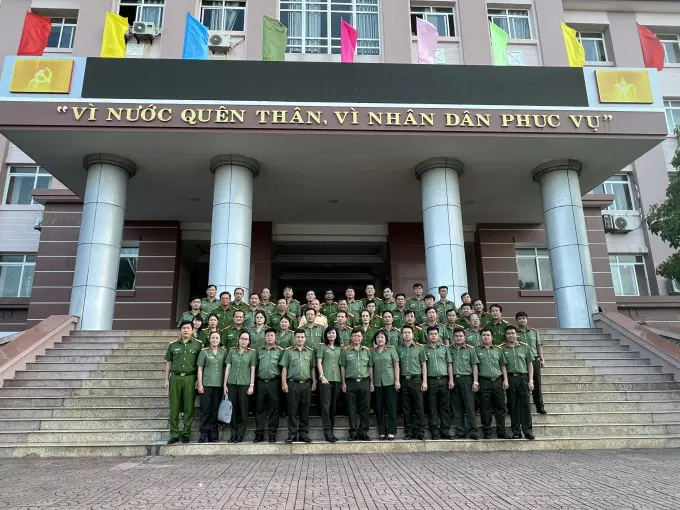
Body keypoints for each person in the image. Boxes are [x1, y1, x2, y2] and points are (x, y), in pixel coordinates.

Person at [164, 321, 202, 444]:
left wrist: (198, 380)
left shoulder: (198, 345)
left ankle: (186, 433)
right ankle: (174, 434)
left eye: (188, 328)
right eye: (183, 328)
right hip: (175, 378)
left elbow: (200, 364)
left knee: (188, 407)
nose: (186, 330)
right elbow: (168, 362)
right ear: (180, 330)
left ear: (192, 330)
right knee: (174, 407)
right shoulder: (173, 345)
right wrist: (166, 379)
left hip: (190, 378)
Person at [280, 329, 317, 443]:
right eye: (298, 337)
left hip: (306, 384)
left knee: (305, 409)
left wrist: (314, 381)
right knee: (292, 410)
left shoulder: (310, 352)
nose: (300, 339)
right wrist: (284, 383)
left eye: (302, 337)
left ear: (305, 339)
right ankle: (292, 434)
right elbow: (284, 368)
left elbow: (312, 368)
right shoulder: (288, 352)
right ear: (294, 338)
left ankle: (303, 433)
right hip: (292, 384)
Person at [502, 325, 535, 440]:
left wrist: (531, 380)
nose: (510, 335)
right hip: (511, 378)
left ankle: (528, 431)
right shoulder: (502, 349)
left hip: (523, 378)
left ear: (516, 334)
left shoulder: (525, 347)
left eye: (512, 333)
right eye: (508, 333)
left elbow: (529, 364)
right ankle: (516, 431)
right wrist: (506, 380)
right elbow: (503, 366)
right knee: (513, 405)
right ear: (505, 335)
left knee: (525, 405)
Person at [340, 329, 374, 441]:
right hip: (351, 382)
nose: (357, 338)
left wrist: (371, 382)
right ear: (351, 337)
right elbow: (343, 367)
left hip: (364, 381)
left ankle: (363, 432)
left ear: (362, 337)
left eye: (359, 336)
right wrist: (343, 383)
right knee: (351, 408)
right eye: (354, 336)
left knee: (365, 408)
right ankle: (353, 432)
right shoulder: (345, 351)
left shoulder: (367, 351)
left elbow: (370, 366)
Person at [223, 331, 256, 443]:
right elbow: (228, 368)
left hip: (244, 384)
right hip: (232, 383)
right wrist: (225, 385)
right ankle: (233, 434)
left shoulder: (252, 353)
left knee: (243, 410)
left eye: (246, 339)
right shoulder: (232, 351)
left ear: (249, 341)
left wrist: (251, 385)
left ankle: (240, 434)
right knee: (232, 409)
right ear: (238, 339)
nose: (244, 341)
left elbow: (252, 370)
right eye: (242, 338)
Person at [476, 328, 509, 439]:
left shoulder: (498, 350)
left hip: (497, 381)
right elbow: (475, 367)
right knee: (485, 408)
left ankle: (501, 431)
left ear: (492, 337)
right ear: (480, 337)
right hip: (484, 381)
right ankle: (487, 432)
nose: (486, 337)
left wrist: (505, 379)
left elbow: (502, 365)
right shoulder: (476, 350)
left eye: (488, 335)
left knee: (500, 407)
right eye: (484, 335)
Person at [254, 328, 284, 443]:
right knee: (259, 408)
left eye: (272, 335)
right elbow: (255, 366)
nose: (270, 337)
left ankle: (272, 433)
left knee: (274, 408)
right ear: (264, 337)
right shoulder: (258, 351)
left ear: (275, 337)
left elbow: (283, 368)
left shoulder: (280, 351)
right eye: (268, 335)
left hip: (274, 382)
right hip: (260, 382)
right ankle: (259, 433)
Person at [449, 328, 480, 440]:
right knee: (457, 407)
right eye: (456, 336)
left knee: (470, 406)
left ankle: (473, 431)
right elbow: (449, 365)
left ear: (464, 337)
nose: (458, 338)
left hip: (467, 379)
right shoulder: (449, 349)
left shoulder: (470, 349)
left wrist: (475, 381)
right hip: (454, 379)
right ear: (453, 337)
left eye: (461, 336)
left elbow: (474, 365)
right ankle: (460, 431)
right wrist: (451, 380)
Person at [424, 326, 454, 440]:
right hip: (431, 380)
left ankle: (445, 430)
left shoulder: (445, 349)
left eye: (435, 334)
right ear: (427, 336)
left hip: (444, 380)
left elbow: (449, 364)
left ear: (439, 335)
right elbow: (424, 366)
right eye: (431, 334)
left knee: (445, 406)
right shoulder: (424, 349)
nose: (433, 336)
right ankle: (434, 431)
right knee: (432, 407)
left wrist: (451, 379)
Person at [398, 325, 427, 440]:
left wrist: (424, 381)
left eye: (409, 332)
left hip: (416, 380)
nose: (407, 334)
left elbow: (423, 365)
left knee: (418, 406)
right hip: (404, 380)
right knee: (406, 407)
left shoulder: (419, 348)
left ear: (413, 334)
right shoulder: (398, 349)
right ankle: (409, 431)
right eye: (404, 333)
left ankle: (420, 431)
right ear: (402, 335)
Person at [197, 331, 226, 443]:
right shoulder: (204, 352)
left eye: (217, 338)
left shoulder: (224, 352)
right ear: (209, 339)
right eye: (213, 338)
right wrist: (200, 384)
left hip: (218, 385)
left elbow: (226, 368)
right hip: (206, 384)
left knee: (215, 410)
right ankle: (203, 433)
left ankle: (213, 433)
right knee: (205, 410)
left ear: (220, 340)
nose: (215, 340)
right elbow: (200, 368)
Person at [516, 311, 547, 414]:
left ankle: (539, 406)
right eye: (519, 319)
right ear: (516, 321)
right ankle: (523, 406)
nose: (522, 320)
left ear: (527, 319)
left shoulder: (534, 332)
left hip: (534, 359)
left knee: (537, 383)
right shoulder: (514, 333)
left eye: (523, 318)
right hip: (522, 361)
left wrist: (542, 358)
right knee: (523, 384)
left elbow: (538, 345)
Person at [372, 330, 400, 440]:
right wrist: (371, 381)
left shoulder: (391, 350)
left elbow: (396, 365)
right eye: (378, 337)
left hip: (390, 381)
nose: (380, 339)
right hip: (377, 382)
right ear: (375, 340)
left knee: (391, 407)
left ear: (386, 339)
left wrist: (397, 380)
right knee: (379, 407)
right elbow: (371, 367)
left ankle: (391, 431)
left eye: (382, 337)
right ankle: (382, 431)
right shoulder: (372, 352)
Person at [317, 326, 343, 442]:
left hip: (337, 379)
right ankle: (327, 431)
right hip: (325, 380)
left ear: (336, 335)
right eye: (329, 333)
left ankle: (331, 429)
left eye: (333, 333)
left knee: (333, 406)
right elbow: (319, 362)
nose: (331, 335)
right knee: (326, 405)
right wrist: (322, 376)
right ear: (326, 335)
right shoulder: (322, 347)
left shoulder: (340, 348)